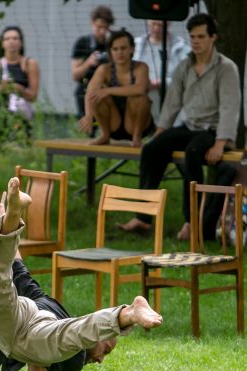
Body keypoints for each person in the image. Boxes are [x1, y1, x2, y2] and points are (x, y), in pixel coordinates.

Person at [0, 178, 163, 371]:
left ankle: (11, 214)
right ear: (96, 340)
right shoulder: (76, 359)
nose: (100, 359)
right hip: (25, 326)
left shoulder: (48, 304)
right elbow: (42, 362)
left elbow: (17, 267)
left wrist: (2, 222)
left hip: (26, 312)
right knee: (73, 333)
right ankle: (129, 313)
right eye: (105, 350)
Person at [118, 14, 241, 240]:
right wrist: (160, 133)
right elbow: (172, 102)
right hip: (191, 126)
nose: (196, 41)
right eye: (192, 37)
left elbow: (229, 108)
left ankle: (191, 222)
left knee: (193, 153)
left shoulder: (226, 68)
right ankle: (143, 217)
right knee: (152, 149)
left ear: (213, 37)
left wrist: (221, 143)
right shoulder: (185, 66)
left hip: (213, 131)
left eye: (201, 36)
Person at [78, 29, 154, 148]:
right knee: (98, 96)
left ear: (132, 49)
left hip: (136, 124)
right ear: (110, 51)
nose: (119, 53)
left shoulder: (141, 67)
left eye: (123, 48)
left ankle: (136, 137)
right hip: (114, 124)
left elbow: (140, 89)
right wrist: (88, 115)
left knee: (140, 98)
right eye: (115, 49)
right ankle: (105, 135)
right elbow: (90, 92)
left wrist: (108, 90)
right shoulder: (104, 69)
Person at [0, 26, 39, 148]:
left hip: (20, 116)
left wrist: (19, 89)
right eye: (7, 39)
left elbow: (33, 96)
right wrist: (1, 88)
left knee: (20, 150)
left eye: (15, 38)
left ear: (21, 43)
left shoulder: (29, 64)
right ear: (2, 43)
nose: (11, 42)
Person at [133, 19, 189, 121]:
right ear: (148, 22)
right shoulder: (137, 44)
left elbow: (186, 77)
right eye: (153, 24)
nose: (156, 28)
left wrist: (161, 82)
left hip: (171, 96)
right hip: (142, 95)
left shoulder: (181, 47)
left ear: (168, 24)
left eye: (161, 25)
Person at [71, 5, 115, 119]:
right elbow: (75, 75)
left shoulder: (113, 44)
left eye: (105, 28)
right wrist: (88, 62)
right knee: (87, 126)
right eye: (98, 26)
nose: (101, 31)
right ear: (92, 23)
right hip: (84, 89)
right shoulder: (82, 42)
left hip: (106, 91)